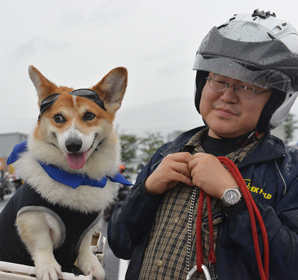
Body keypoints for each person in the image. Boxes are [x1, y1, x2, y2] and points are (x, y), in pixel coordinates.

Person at [107, 9, 298, 280]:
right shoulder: (168, 153)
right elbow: (119, 242)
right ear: (202, 83)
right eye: (219, 80)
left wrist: (234, 197)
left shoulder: (287, 171)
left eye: (248, 86)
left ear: (277, 100)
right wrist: (148, 191)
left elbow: (288, 267)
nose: (228, 96)